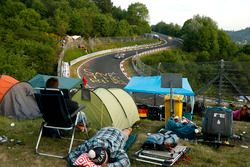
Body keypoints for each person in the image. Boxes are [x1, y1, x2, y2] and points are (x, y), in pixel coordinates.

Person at [67, 127, 132, 167]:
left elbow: (126, 162)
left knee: (126, 133)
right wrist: (78, 164)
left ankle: (129, 128)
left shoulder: (115, 150)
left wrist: (108, 166)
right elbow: (71, 154)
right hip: (104, 130)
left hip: (118, 133)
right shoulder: (88, 146)